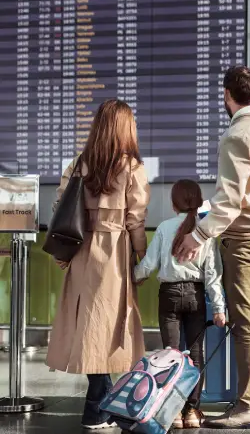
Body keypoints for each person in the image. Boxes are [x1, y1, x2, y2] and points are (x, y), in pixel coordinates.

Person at [176, 66, 250, 429]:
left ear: (227, 95)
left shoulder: (237, 134)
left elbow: (229, 202)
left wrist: (198, 235)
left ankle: (247, 407)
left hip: (244, 241)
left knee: (247, 324)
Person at [46, 99, 150, 430]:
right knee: (108, 328)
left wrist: (63, 253)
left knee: (90, 327)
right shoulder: (131, 168)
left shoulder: (79, 164)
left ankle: (99, 405)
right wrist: (143, 260)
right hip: (113, 258)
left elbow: (61, 208)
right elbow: (136, 220)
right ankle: (97, 407)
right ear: (124, 128)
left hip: (81, 254)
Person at [133, 179, 226, 429]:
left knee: (170, 356)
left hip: (170, 296)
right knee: (196, 355)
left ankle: (172, 412)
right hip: (196, 297)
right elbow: (213, 275)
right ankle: (192, 412)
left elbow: (149, 265)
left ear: (174, 204)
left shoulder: (164, 227)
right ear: (197, 201)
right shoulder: (205, 232)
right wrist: (218, 308)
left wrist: (133, 278)